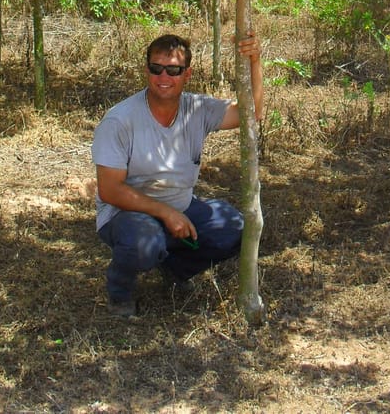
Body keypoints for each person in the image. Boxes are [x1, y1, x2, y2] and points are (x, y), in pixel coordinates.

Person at [91, 30, 263, 318]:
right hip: (126, 213)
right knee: (142, 244)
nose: (164, 77)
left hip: (181, 205)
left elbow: (252, 112)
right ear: (146, 70)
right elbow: (111, 191)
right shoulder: (119, 121)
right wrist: (165, 214)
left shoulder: (197, 109)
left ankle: (173, 269)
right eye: (156, 68)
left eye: (173, 70)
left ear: (187, 74)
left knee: (236, 228)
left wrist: (255, 62)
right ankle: (120, 293)